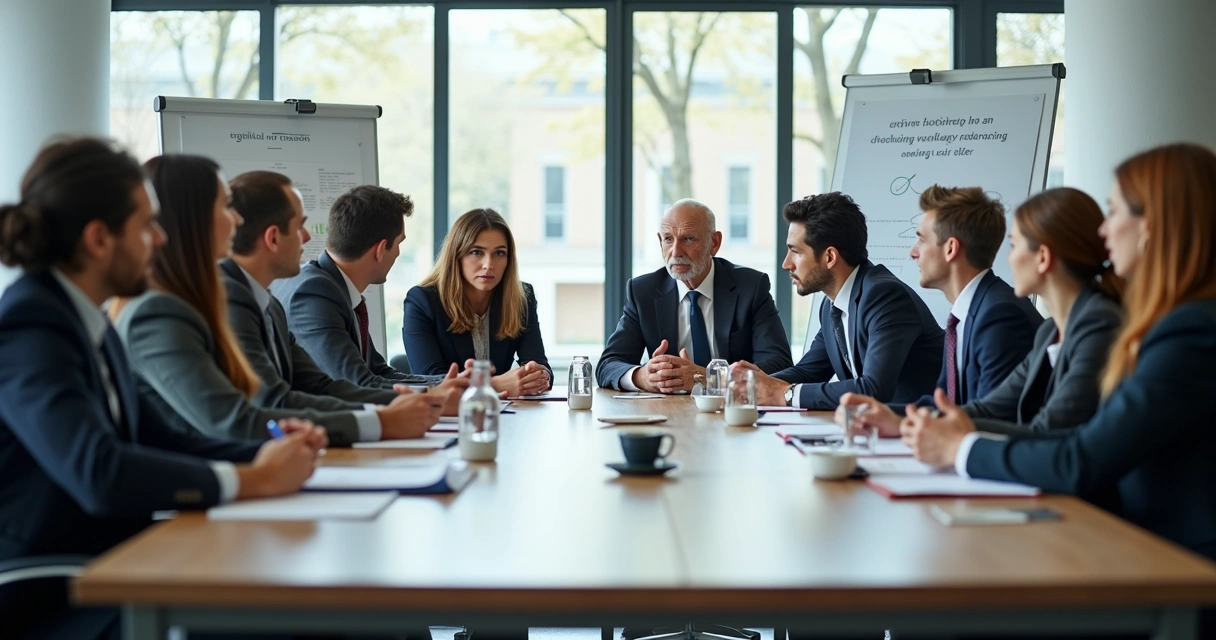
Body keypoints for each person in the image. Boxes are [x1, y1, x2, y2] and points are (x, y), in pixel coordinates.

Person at [0, 138, 321, 639]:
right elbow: (99, 472)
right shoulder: (30, 326)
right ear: (99, 239)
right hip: (54, 590)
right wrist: (253, 480)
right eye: (148, 226)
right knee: (283, 620)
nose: (161, 239)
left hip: (121, 562)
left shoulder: (88, 320)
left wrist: (275, 448)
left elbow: (166, 437)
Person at [901, 143, 1216, 563]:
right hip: (1138, 547)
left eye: (1115, 211)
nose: (1105, 232)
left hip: (1174, 568)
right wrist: (932, 426)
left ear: (1151, 227)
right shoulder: (1158, 323)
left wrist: (960, 447)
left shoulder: (1187, 332)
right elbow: (1007, 411)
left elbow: (1080, 456)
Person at [112, 156, 447, 447]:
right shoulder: (166, 311)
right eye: (224, 207)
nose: (238, 220)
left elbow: (317, 386)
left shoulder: (255, 301)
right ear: (193, 220)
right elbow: (240, 417)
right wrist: (384, 420)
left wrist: (412, 405)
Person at [842, 187, 1124, 438]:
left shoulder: (1007, 314)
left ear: (1043, 257)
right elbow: (978, 407)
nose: (1009, 259)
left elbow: (1043, 430)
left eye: (1014, 246)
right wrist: (893, 417)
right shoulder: (1051, 330)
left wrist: (933, 436)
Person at [223, 170, 466, 415]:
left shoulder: (294, 297)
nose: (308, 237)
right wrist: (432, 398)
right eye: (299, 226)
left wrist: (443, 389)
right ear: (381, 249)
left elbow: (366, 375)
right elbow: (351, 383)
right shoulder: (312, 292)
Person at [736, 192, 944, 409]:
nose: (787, 264)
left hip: (923, 430)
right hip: (874, 432)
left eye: (795, 252)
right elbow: (809, 371)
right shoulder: (832, 305)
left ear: (830, 257)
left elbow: (873, 390)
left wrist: (785, 394)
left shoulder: (885, 296)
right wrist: (752, 384)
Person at [596, 198, 792, 392]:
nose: (676, 252)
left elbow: (780, 364)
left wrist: (706, 377)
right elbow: (608, 365)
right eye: (668, 239)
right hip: (669, 414)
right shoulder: (643, 291)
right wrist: (643, 377)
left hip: (733, 412)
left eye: (688, 239)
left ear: (714, 243)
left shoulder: (750, 287)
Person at [272, 185, 442, 388]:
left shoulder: (334, 287)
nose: (398, 253)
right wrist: (435, 394)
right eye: (399, 243)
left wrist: (452, 383)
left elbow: (378, 371)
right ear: (380, 250)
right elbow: (356, 382)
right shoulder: (314, 292)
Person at [907, 185, 1042, 406]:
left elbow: (988, 418)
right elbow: (942, 404)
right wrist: (884, 417)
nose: (913, 252)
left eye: (922, 240)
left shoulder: (1000, 316)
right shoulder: (970, 312)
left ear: (951, 249)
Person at [403, 208, 552, 396]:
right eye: (476, 252)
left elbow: (538, 363)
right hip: (447, 418)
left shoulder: (522, 297)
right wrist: (494, 385)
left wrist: (538, 375)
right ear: (456, 255)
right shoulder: (422, 301)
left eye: (499, 253)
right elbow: (430, 380)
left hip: (506, 415)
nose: (489, 264)